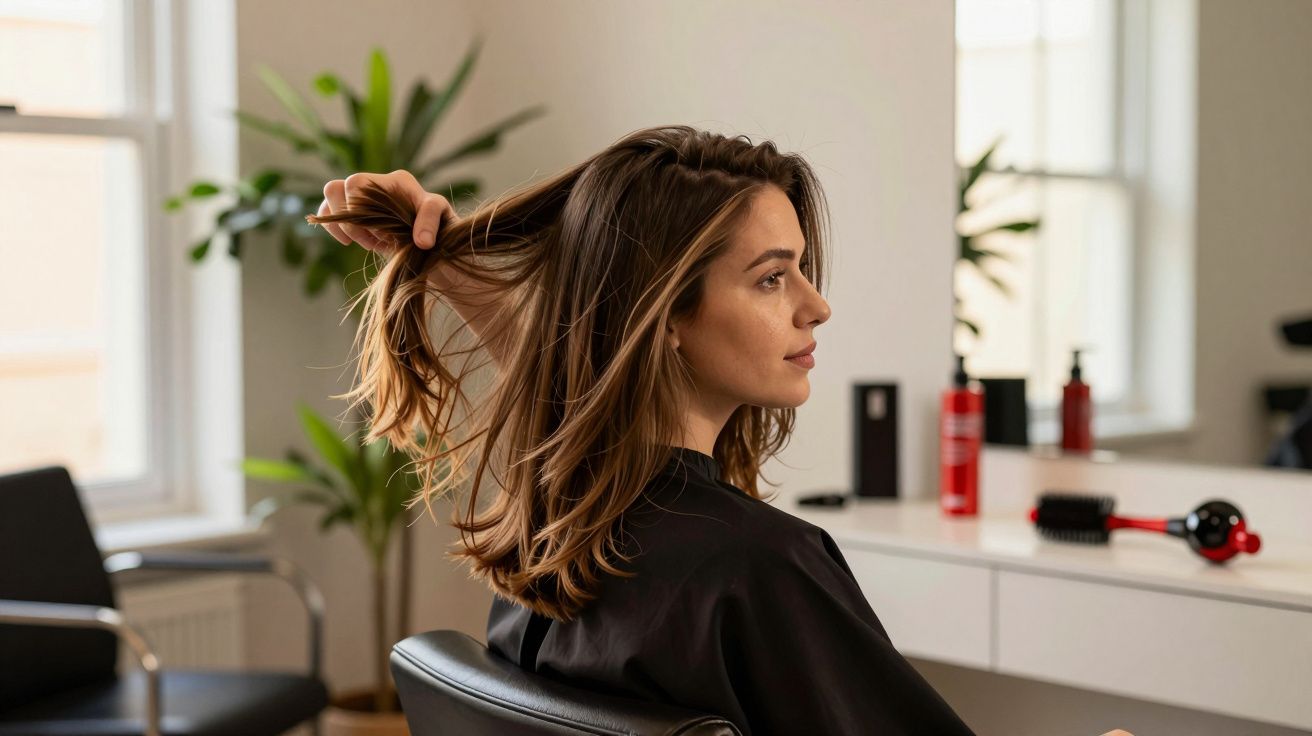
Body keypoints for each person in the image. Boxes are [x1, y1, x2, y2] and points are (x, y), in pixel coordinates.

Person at [310, 125, 976, 734]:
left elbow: (574, 379)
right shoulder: (763, 567)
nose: (816, 306)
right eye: (772, 278)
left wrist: (445, 260)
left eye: (800, 269)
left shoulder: (562, 524)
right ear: (666, 316)